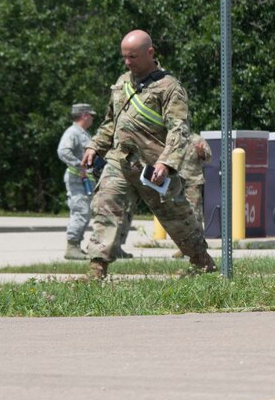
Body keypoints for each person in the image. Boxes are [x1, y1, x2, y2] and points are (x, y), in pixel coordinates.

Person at [79, 31, 215, 280]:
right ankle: (96, 271)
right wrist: (94, 146)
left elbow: (179, 129)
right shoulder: (122, 83)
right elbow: (111, 122)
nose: (128, 62)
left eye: (133, 56)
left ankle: (202, 263)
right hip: (120, 161)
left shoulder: (169, 87)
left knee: (177, 218)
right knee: (105, 208)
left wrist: (166, 162)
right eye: (124, 57)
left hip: (154, 168)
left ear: (150, 53)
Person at [57, 103, 97, 260]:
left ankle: (76, 246)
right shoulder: (73, 132)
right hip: (76, 180)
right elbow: (63, 151)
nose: (93, 118)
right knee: (80, 212)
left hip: (85, 181)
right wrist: (78, 164)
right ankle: (72, 246)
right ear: (85, 115)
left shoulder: (83, 133)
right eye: (91, 115)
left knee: (85, 213)